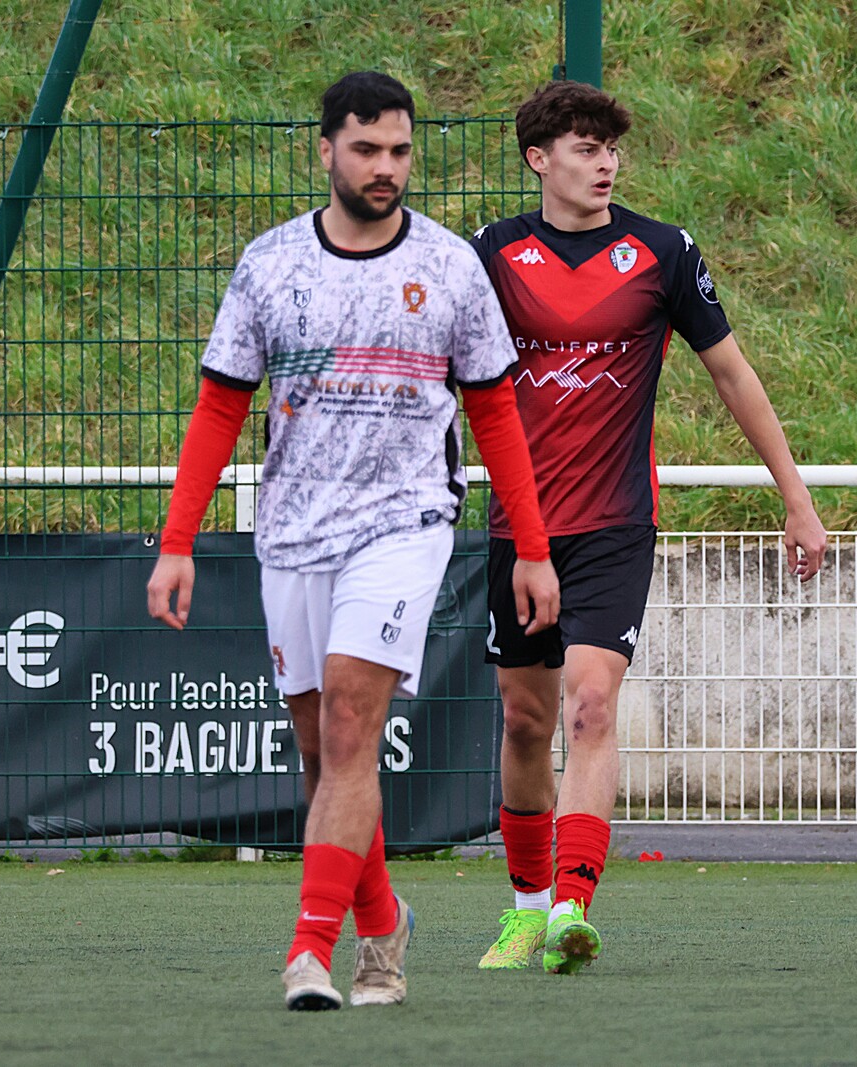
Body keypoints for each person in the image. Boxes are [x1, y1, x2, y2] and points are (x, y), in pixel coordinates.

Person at [146, 70, 560, 1011]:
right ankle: (383, 920)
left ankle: (309, 950)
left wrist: (531, 547)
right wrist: (177, 541)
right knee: (324, 752)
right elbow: (219, 408)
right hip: (292, 532)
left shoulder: (451, 266)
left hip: (403, 526)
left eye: (400, 151)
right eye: (367, 149)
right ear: (326, 149)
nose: (386, 167)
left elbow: (496, 416)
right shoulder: (270, 264)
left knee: (346, 728)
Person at [469, 80, 829, 975]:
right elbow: (444, 375)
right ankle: (524, 910)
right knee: (525, 719)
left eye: (612, 149)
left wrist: (796, 496)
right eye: (586, 148)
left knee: (592, 703)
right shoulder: (492, 254)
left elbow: (733, 375)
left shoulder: (663, 252)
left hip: (616, 524)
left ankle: (571, 908)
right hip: (521, 530)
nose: (606, 164)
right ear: (538, 159)